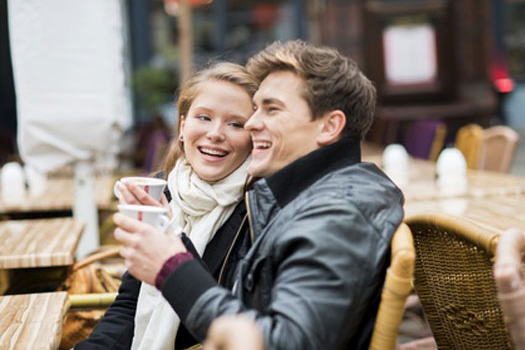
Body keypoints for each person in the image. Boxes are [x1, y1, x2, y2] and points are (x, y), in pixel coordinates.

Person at [112, 40, 404, 350]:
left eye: (271, 109)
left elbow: (286, 342)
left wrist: (172, 267)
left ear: (329, 126)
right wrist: (171, 238)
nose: (251, 124)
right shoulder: (298, 198)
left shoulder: (339, 213)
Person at [75, 62, 258, 349]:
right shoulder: (166, 189)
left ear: (253, 137)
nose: (216, 133)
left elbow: (223, 322)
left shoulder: (256, 209)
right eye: (204, 117)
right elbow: (130, 306)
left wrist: (171, 240)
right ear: (183, 126)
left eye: (235, 123)